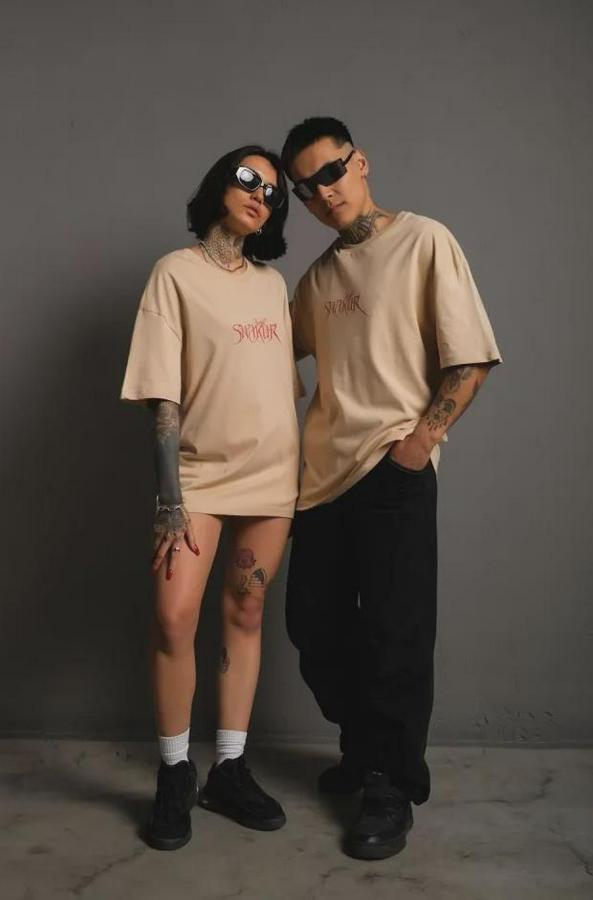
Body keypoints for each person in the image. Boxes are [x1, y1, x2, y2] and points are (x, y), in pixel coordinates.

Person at [281, 117, 503, 861]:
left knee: (394, 634)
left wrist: (418, 445)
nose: (323, 192)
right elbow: (268, 355)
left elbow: (468, 360)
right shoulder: (316, 280)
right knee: (312, 627)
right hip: (320, 479)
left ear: (361, 162)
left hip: (392, 466)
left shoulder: (424, 240)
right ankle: (367, 745)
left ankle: (389, 781)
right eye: (306, 187)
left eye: (332, 172)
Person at [120, 145, 302, 850]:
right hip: (196, 478)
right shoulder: (174, 273)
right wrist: (169, 498)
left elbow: (279, 386)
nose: (261, 195)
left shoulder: (272, 285)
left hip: (272, 478)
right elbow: (163, 397)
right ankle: (174, 773)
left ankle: (229, 767)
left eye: (273, 191)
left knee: (245, 611)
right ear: (219, 184)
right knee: (174, 617)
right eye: (248, 179)